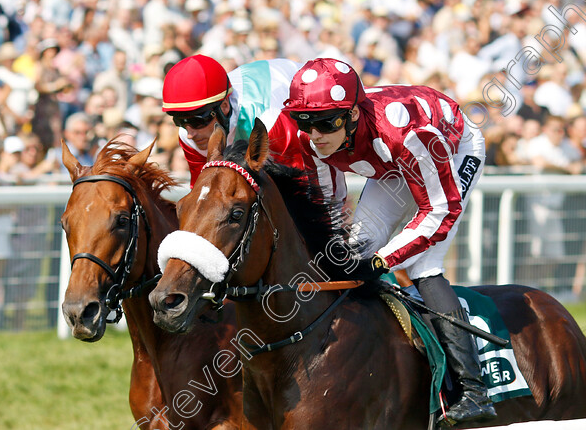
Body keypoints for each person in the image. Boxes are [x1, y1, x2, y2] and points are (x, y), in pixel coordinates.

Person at [282, 58, 496, 425]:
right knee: (352, 249)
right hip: (390, 163)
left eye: (325, 122)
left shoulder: (409, 133)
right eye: (304, 122)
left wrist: (383, 261)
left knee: (422, 263)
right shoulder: (310, 139)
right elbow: (328, 206)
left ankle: (473, 388)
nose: (314, 135)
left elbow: (440, 211)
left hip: (448, 148)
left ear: (350, 116)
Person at [161, 54, 342, 199]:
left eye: (198, 121)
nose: (190, 133)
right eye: (180, 121)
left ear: (224, 106)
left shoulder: (268, 120)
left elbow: (311, 183)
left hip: (302, 110)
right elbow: (203, 194)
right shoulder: (188, 134)